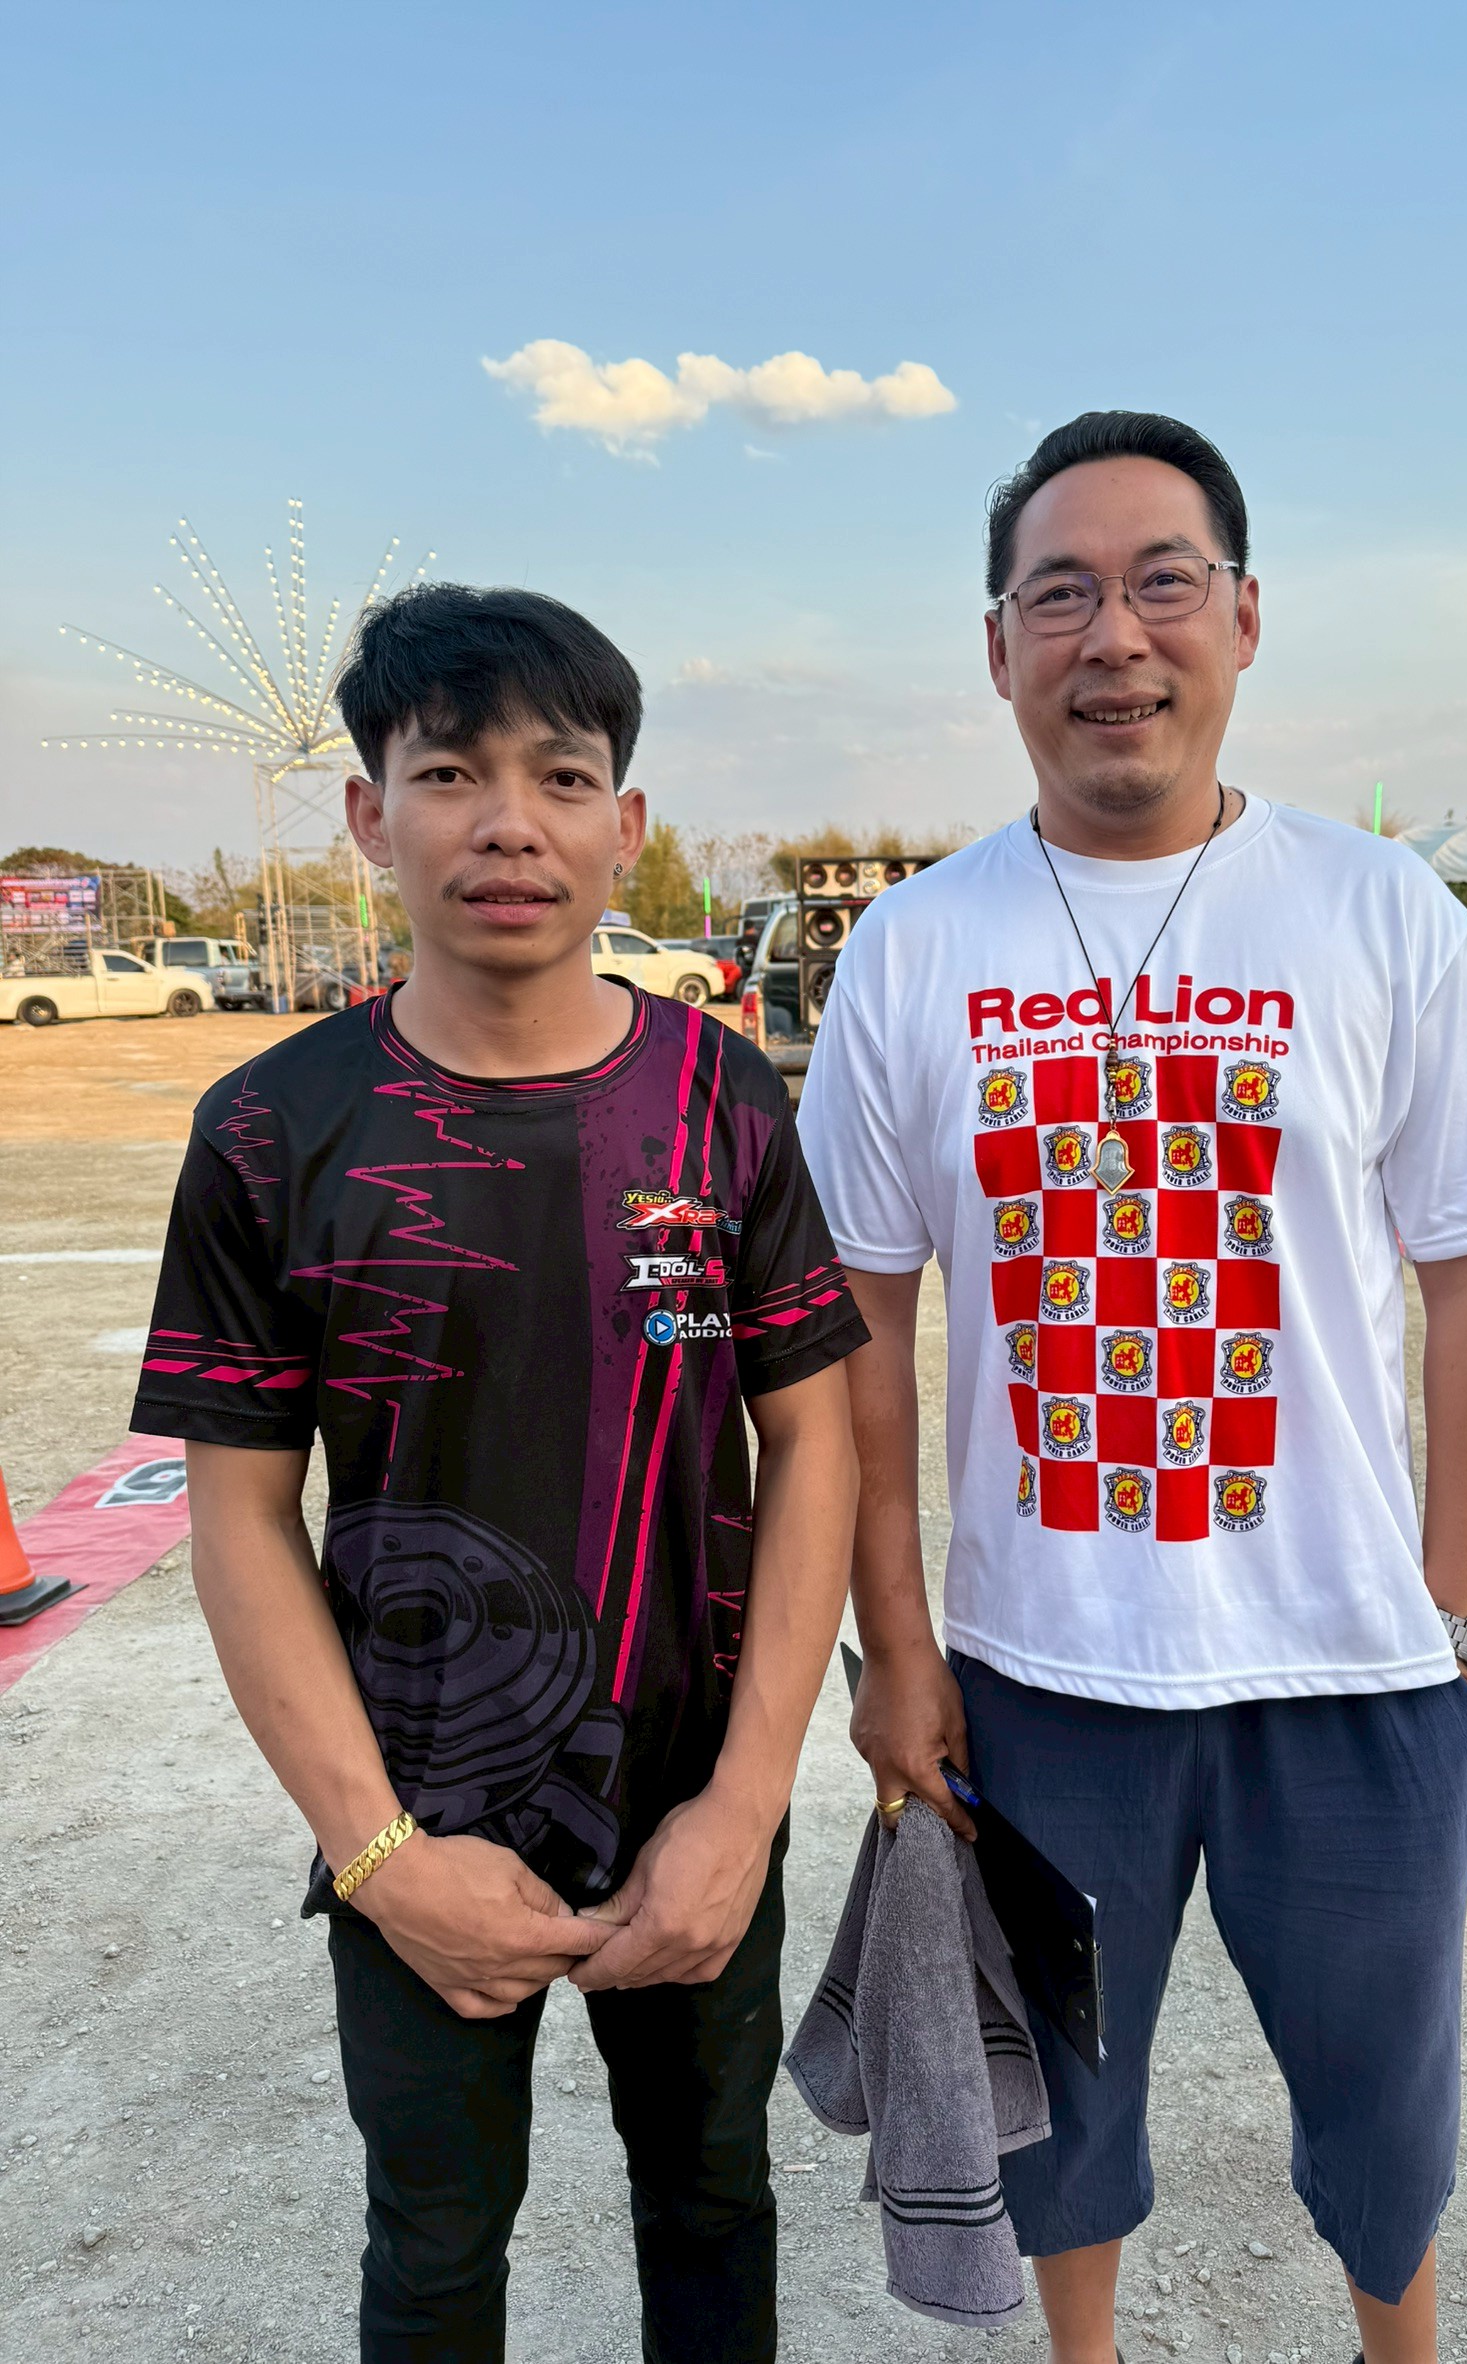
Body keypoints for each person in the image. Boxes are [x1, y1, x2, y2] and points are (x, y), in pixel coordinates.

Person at [797, 412, 1467, 2364]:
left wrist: (1460, 1625)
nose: (1112, 636)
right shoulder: (913, 948)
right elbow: (852, 1327)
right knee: (1059, 2114)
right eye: (1058, 593)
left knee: (1385, 2111)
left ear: (1241, 617)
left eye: (1162, 581)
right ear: (997, 648)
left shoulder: (1375, 912)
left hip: (1354, 1674)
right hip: (1038, 1677)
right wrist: (896, 1650)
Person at [131, 583, 867, 2364]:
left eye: (561, 776)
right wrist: (377, 1855)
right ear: (370, 813)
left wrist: (744, 1806)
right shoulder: (269, 1129)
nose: (508, 823)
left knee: (712, 2201)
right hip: (413, 1814)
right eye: (450, 772)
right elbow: (240, 1519)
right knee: (437, 2242)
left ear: (626, 822)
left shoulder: (723, 1099)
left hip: (692, 1806)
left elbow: (814, 1442)